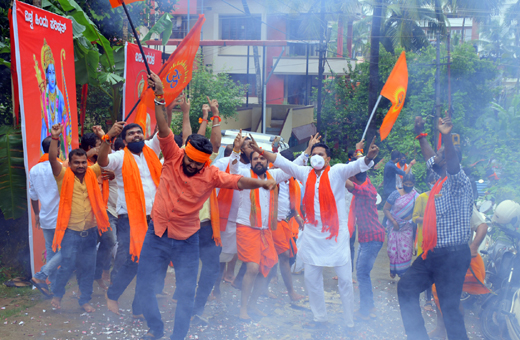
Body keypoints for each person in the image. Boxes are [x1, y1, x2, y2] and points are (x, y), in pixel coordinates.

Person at [134, 72, 277, 340]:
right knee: (143, 288)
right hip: (157, 234)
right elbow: (163, 127)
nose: (190, 166)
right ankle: (155, 329)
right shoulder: (173, 155)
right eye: (189, 162)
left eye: (196, 164)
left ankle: (178, 337)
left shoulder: (211, 174)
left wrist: (262, 184)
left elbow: (238, 181)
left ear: (204, 163)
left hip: (187, 239)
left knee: (187, 292)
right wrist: (160, 95)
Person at [249, 135, 379, 333]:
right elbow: (280, 161)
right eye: (314, 154)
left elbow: (357, 166)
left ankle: (349, 320)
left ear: (327, 159)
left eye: (321, 155)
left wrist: (369, 157)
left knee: (345, 280)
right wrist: (259, 150)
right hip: (312, 233)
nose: (316, 157)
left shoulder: (337, 172)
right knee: (311, 279)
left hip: (336, 235)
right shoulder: (304, 172)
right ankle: (320, 318)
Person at [95, 96, 176, 318]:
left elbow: (163, 128)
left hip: (156, 216)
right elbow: (102, 162)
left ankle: (139, 307)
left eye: (139, 132)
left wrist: (162, 101)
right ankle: (112, 294)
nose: (136, 135)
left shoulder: (152, 148)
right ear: (125, 140)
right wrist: (107, 137)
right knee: (133, 260)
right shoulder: (120, 157)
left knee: (153, 264)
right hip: (130, 218)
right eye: (131, 134)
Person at [397, 116, 473, 340]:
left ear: (449, 161)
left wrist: (447, 136)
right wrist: (421, 134)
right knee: (406, 287)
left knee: (449, 309)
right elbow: (431, 157)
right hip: (433, 253)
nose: (436, 158)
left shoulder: (459, 182)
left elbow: (450, 162)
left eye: (442, 155)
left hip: (454, 256)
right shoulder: (438, 177)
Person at [229, 131, 307, 320]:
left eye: (262, 158)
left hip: (266, 231)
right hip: (247, 228)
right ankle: (243, 309)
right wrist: (236, 150)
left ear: (266, 161)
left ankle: (253, 305)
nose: (258, 161)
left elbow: (291, 168)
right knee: (253, 268)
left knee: (270, 266)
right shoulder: (243, 174)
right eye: (255, 158)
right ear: (251, 160)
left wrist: (307, 153)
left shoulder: (273, 176)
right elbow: (232, 168)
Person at [47, 123, 110, 313]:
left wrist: (106, 138)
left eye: (83, 162)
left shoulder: (93, 172)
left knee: (88, 268)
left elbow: (104, 158)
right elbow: (52, 159)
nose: (81, 166)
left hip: (90, 231)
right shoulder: (62, 174)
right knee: (66, 266)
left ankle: (84, 300)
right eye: (77, 162)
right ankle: (57, 295)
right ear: (70, 162)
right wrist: (55, 138)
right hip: (70, 232)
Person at [429, 206, 490, 338]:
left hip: (457, 260)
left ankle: (456, 334)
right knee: (438, 294)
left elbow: (482, 226)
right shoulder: (439, 202)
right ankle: (440, 329)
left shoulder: (465, 203)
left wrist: (473, 247)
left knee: (452, 299)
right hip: (440, 258)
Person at [212, 135, 254, 292]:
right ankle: (214, 290)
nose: (253, 148)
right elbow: (231, 173)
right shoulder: (224, 163)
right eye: (250, 145)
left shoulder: (255, 167)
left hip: (247, 220)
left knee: (251, 256)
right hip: (227, 218)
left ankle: (237, 280)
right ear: (241, 149)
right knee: (222, 258)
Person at [267, 148, 305, 302]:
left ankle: (263, 288)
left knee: (279, 257)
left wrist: (297, 216)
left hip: (285, 222)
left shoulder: (292, 180)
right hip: (271, 223)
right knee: (281, 257)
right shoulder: (270, 175)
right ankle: (290, 292)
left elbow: (292, 203)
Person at [346, 171, 385, 321]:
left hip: (373, 237)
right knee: (362, 273)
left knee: (362, 274)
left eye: (351, 175)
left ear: (354, 178)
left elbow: (350, 185)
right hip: (367, 238)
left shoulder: (366, 190)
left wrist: (337, 173)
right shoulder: (365, 182)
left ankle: (367, 309)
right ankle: (368, 307)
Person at [80, 131, 116, 291]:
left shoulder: (101, 163)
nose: (103, 149)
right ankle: (84, 287)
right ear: (90, 148)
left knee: (109, 241)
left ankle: (98, 275)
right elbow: (66, 167)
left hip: (103, 213)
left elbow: (111, 154)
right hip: (86, 216)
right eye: (98, 146)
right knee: (85, 252)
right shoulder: (81, 165)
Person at [29, 137, 62, 297]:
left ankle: (55, 288)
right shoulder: (62, 167)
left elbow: (33, 196)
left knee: (52, 252)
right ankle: (41, 275)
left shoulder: (34, 170)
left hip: (46, 218)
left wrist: (36, 213)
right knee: (70, 249)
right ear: (58, 148)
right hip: (62, 219)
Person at [383, 173, 419, 278]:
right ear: (402, 183)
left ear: (413, 184)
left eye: (410, 184)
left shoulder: (416, 196)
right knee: (392, 251)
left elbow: (417, 213)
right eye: (406, 183)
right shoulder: (395, 194)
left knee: (406, 251)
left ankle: (404, 273)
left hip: (407, 228)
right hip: (394, 228)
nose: (408, 186)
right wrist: (394, 221)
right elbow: (386, 209)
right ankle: (393, 270)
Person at [411, 172, 437, 311]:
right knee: (426, 270)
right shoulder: (422, 198)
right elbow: (415, 217)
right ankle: (427, 300)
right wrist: (429, 218)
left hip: (439, 240)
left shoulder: (441, 198)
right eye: (432, 182)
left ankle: (433, 299)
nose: (434, 184)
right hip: (424, 239)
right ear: (428, 183)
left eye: (436, 182)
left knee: (435, 271)